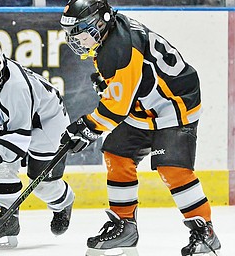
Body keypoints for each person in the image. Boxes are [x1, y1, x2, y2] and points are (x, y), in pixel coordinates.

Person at [59, 0, 221, 255]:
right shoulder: (110, 36)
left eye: (81, 29)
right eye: (73, 32)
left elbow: (115, 110)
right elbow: (131, 83)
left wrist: (87, 127)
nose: (76, 38)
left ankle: (205, 231)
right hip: (147, 104)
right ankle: (125, 225)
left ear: (101, 21)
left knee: (172, 167)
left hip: (174, 103)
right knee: (117, 153)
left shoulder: (118, 48)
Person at [0, 34, 75, 250]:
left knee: (41, 185)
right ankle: (7, 219)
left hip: (48, 127)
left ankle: (64, 202)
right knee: (2, 165)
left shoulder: (17, 88)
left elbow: (18, 137)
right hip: (25, 120)